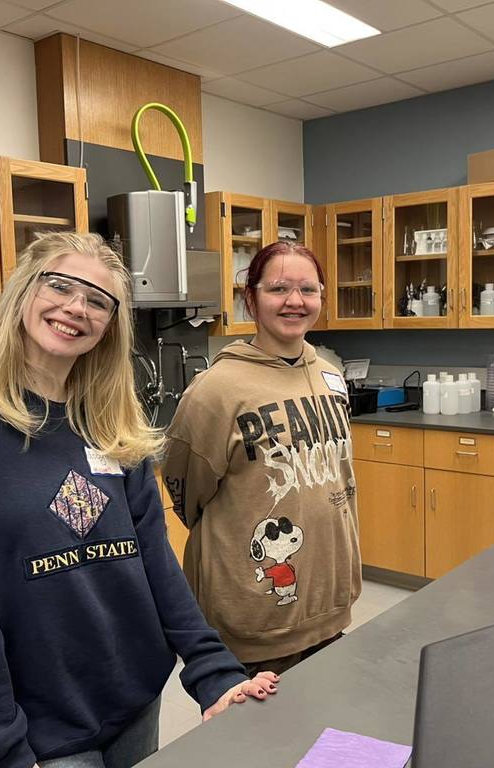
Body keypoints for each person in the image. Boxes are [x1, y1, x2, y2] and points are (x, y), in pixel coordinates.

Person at [0, 232, 277, 768]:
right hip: (36, 732)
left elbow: (153, 562)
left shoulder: (112, 423)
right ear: (23, 292)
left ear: (110, 326)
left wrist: (213, 669)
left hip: (133, 702)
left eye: (98, 300)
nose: (76, 308)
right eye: (60, 286)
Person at [163, 240, 361, 678]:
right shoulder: (216, 390)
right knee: (264, 746)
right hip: (255, 620)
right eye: (278, 289)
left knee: (328, 741)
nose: (295, 301)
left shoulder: (330, 375)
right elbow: (187, 497)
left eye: (308, 289)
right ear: (251, 298)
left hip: (328, 609)